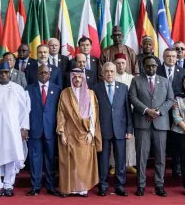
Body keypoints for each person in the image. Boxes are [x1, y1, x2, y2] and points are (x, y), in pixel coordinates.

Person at [0, 61, 30, 197]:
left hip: (13, 130)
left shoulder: (18, 89)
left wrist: (24, 128)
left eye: (6, 72)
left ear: (10, 73)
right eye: (1, 72)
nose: (3, 75)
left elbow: (25, 111)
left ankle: (8, 184)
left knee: (11, 156)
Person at [129, 55, 173, 196]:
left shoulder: (165, 81)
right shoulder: (136, 80)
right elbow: (132, 98)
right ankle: (141, 185)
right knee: (141, 156)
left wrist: (158, 112)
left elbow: (170, 99)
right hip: (142, 123)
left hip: (160, 123)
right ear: (143, 67)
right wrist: (147, 110)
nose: (151, 68)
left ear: (157, 66)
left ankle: (159, 185)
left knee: (160, 156)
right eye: (148, 66)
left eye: (153, 66)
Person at [56, 68, 101, 197]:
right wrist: (62, 132)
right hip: (69, 132)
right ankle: (70, 189)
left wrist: (91, 132)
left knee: (83, 161)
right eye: (74, 77)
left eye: (80, 77)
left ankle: (82, 188)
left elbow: (93, 115)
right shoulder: (65, 93)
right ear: (71, 78)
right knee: (69, 162)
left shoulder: (90, 93)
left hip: (84, 132)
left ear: (83, 78)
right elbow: (61, 113)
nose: (77, 79)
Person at [94, 62, 132, 197]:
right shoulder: (96, 88)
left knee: (120, 159)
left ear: (115, 73)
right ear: (102, 73)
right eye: (107, 71)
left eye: (112, 71)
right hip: (103, 129)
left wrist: (129, 129)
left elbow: (127, 110)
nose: (109, 74)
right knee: (103, 160)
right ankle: (103, 186)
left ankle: (120, 186)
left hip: (120, 129)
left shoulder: (123, 88)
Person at [26, 64, 61, 196]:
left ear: (50, 74)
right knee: (35, 160)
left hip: (51, 130)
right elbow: (25, 110)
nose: (43, 75)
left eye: (46, 73)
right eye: (41, 73)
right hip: (34, 129)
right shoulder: (29, 89)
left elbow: (59, 111)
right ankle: (35, 186)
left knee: (50, 159)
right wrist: (26, 128)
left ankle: (51, 186)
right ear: (37, 74)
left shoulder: (57, 89)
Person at [156, 48, 185, 178]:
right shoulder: (157, 70)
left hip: (177, 110)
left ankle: (176, 166)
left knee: (177, 139)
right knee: (161, 141)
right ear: (163, 57)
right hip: (160, 110)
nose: (171, 58)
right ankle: (160, 169)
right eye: (168, 56)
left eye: (174, 56)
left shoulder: (183, 72)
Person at [113, 54, 137, 174]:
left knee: (130, 139)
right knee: (115, 139)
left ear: (126, 64)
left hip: (129, 112)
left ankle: (129, 164)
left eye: (122, 63)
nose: (120, 65)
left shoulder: (132, 78)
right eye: (118, 63)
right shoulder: (111, 77)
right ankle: (114, 164)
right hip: (115, 114)